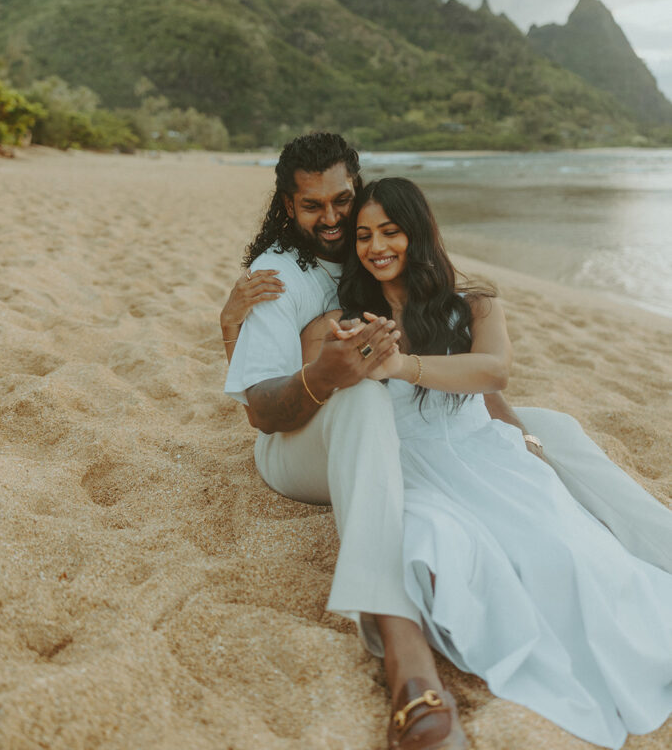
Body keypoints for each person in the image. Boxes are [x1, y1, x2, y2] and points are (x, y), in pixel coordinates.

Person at [223, 134, 671, 750]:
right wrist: (282, 346)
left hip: (448, 435)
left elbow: (488, 375)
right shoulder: (295, 288)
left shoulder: (455, 298)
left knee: (557, 484)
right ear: (288, 204)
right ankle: (409, 668)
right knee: (431, 523)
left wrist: (519, 437)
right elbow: (271, 403)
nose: (342, 224)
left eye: (351, 210)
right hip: (343, 445)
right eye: (317, 209)